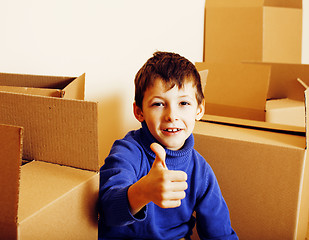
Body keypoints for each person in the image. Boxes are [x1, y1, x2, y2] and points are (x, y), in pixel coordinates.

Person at [98, 51, 238, 240]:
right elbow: (106, 211)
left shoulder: (201, 170)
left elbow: (219, 233)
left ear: (199, 109)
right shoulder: (127, 152)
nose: (172, 115)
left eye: (183, 103)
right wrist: (143, 190)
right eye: (158, 104)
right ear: (139, 112)